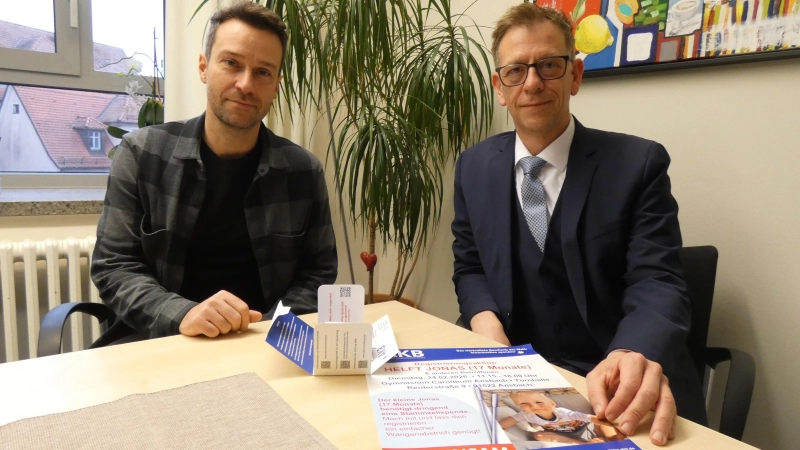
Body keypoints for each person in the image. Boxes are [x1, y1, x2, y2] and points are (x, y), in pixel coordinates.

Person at [451, 3, 707, 446]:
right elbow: (469, 263)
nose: (532, 83)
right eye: (515, 71)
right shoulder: (473, 166)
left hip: (613, 384)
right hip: (524, 382)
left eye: (548, 65)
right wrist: (485, 324)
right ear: (499, 86)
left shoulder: (637, 164)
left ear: (575, 75)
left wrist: (631, 352)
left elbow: (658, 279)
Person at [91, 2, 337, 343]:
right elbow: (114, 266)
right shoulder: (142, 153)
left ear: (277, 84)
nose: (246, 84)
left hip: (268, 342)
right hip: (161, 340)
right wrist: (183, 314)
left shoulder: (303, 170)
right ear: (204, 67)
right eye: (232, 63)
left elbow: (319, 273)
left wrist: (272, 328)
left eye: (263, 72)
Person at [499, 391, 620, 444]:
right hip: (564, 436)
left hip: (586, 429)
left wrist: (611, 424)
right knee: (538, 435)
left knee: (602, 424)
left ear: (552, 404)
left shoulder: (563, 413)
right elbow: (511, 419)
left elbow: (590, 418)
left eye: (539, 402)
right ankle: (583, 444)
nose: (533, 407)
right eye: (524, 404)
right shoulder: (527, 415)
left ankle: (614, 442)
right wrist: (501, 426)